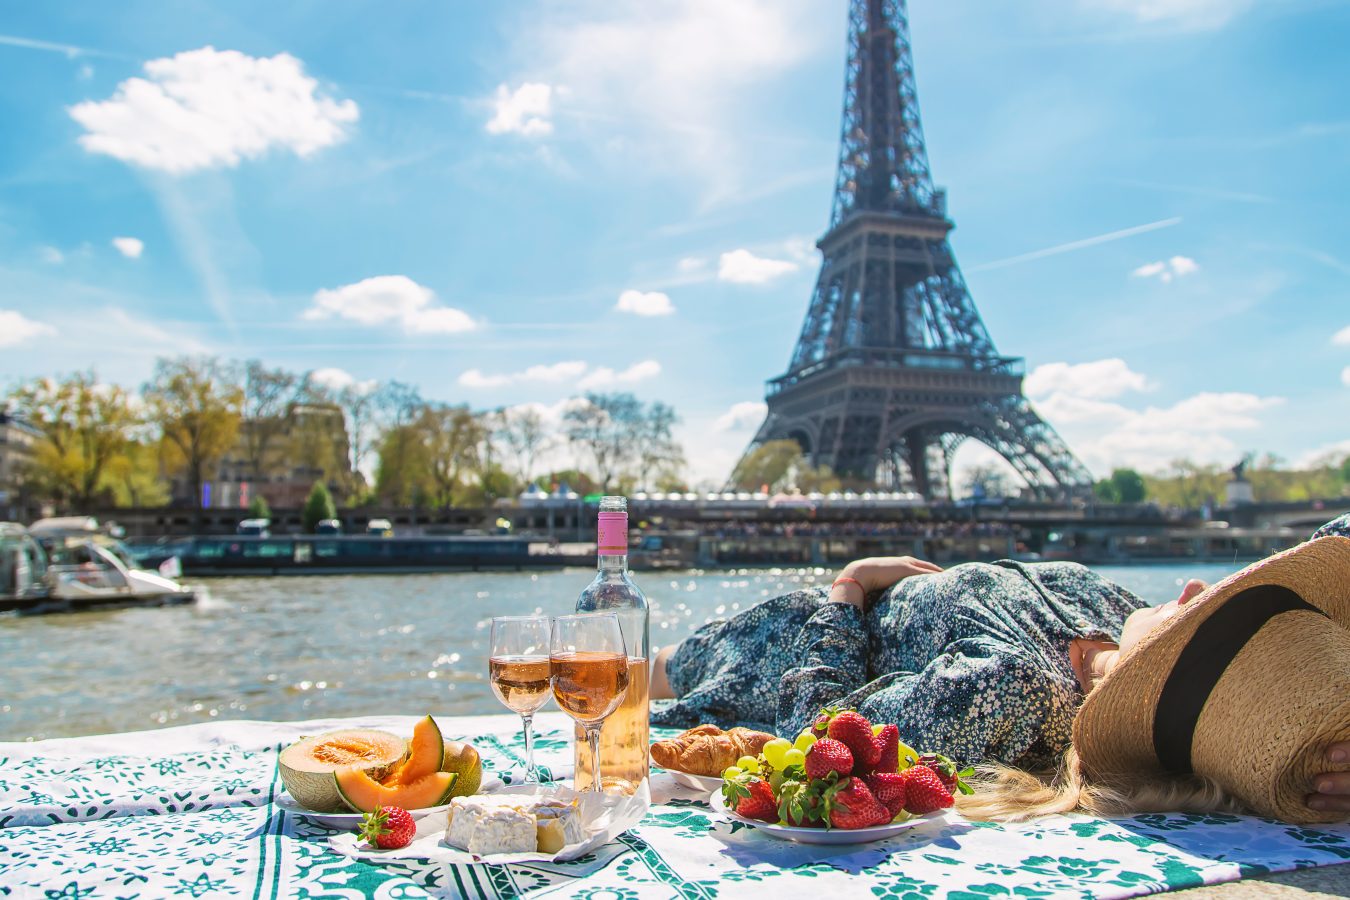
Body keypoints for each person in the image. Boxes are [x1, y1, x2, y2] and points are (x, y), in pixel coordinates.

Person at [650, 514, 1350, 819]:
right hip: (788, 620)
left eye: (1195, 617)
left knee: (613, 664)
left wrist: (851, 584)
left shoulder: (1015, 687)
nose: (1194, 589)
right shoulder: (1122, 608)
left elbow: (820, 739)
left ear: (1161, 681)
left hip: (781, 651)